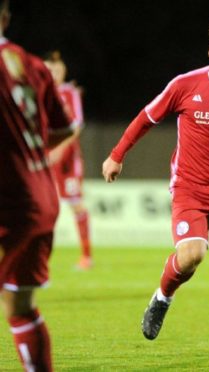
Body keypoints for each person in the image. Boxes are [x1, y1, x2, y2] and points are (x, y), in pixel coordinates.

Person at [101, 20, 209, 355]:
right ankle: (162, 298)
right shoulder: (185, 85)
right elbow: (146, 118)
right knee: (191, 255)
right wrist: (116, 155)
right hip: (190, 188)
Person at [0, 0, 73, 370]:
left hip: (7, 197)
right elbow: (64, 129)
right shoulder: (32, 65)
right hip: (40, 196)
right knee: (19, 306)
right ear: (6, 17)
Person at [43, 50, 93, 270]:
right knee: (42, 207)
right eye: (50, 69)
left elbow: (76, 126)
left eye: (58, 69)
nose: (55, 73)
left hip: (67, 160)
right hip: (42, 158)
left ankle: (86, 256)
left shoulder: (69, 92)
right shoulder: (38, 91)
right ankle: (41, 257)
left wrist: (58, 151)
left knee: (76, 205)